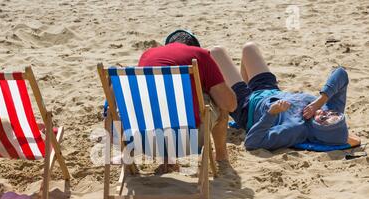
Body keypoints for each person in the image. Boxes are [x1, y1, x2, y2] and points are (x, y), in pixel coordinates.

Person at [209, 42, 360, 151]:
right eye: (331, 113)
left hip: (247, 107)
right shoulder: (325, 108)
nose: (324, 113)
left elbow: (252, 142)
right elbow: (341, 73)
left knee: (216, 52)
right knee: (249, 48)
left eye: (323, 119)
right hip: (269, 90)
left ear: (319, 129)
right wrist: (320, 101)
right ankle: (241, 84)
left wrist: (270, 114)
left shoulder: (295, 130)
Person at [138, 30, 237, 161]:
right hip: (188, 142)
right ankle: (221, 155)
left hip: (143, 142)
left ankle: (168, 161)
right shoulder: (199, 55)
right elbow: (230, 105)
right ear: (193, 46)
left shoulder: (146, 55)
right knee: (218, 100)